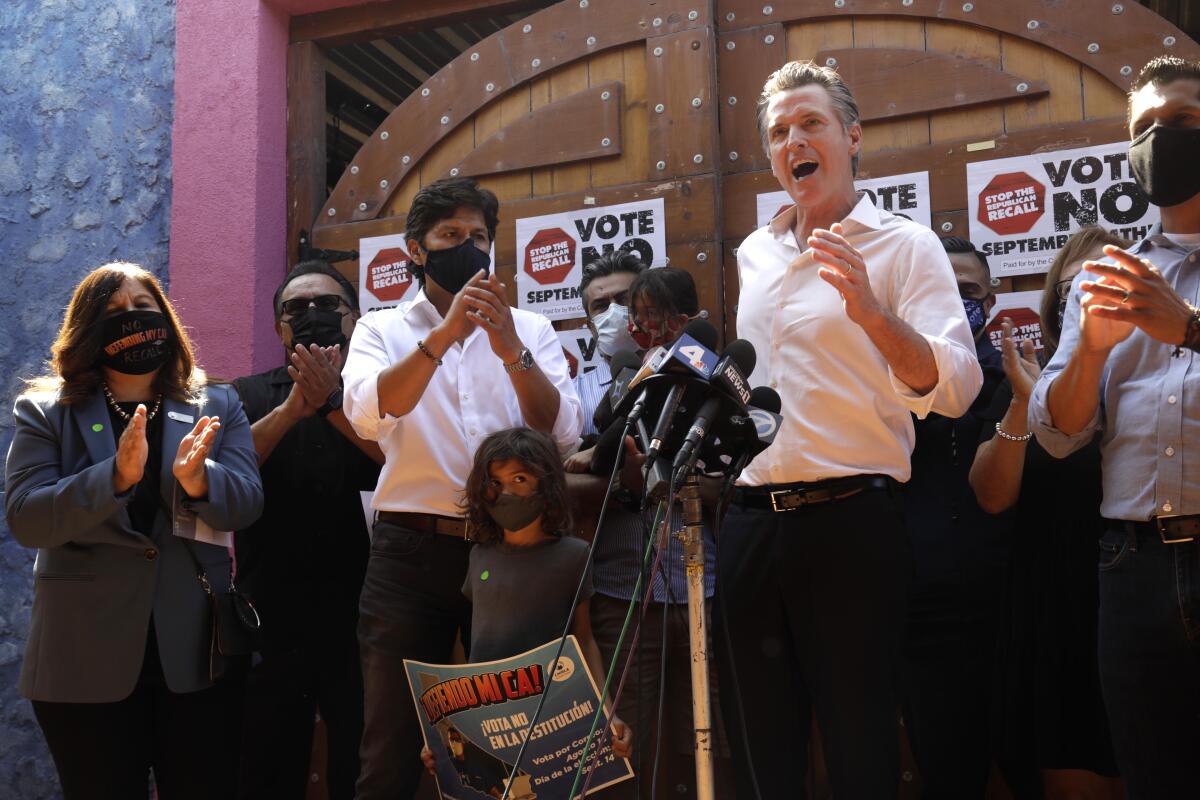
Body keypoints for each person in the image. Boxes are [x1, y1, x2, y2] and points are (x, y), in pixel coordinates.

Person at [718, 61, 982, 796]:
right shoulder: (755, 252)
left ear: (852, 137)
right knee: (760, 750)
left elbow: (958, 385)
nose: (793, 141)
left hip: (850, 525)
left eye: (810, 124)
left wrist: (871, 312)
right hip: (749, 523)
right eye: (778, 132)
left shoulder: (905, 245)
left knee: (859, 744)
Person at [341, 176, 583, 799]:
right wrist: (446, 333)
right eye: (450, 236)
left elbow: (560, 436)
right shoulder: (379, 328)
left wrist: (508, 349)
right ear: (416, 250)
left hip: (510, 553)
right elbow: (369, 413)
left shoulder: (529, 328)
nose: (467, 247)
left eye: (478, 237)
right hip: (409, 555)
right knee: (390, 745)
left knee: (512, 747)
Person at [4, 261, 263, 799]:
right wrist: (114, 478)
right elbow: (27, 516)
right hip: (83, 658)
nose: (132, 319)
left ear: (165, 317)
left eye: (143, 307)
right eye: (114, 311)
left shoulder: (217, 403)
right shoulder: (47, 411)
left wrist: (199, 482)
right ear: (89, 328)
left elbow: (246, 506)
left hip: (195, 654)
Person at [1029, 55, 1200, 798]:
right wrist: (1090, 356)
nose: (1160, 139)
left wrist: (1189, 330)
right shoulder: (1108, 276)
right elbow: (1058, 431)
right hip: (1133, 569)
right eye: (1144, 128)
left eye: (1182, 122)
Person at [972, 227, 1127, 800]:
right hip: (1056, 611)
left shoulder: (1151, 373)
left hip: (1143, 596)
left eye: (1103, 281)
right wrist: (1020, 400)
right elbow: (990, 495)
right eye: (1073, 285)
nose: (1088, 295)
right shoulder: (1025, 380)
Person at [568, 265, 734, 799]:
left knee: (709, 742)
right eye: (605, 305)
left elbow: (737, 479)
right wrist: (614, 473)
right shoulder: (594, 386)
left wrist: (692, 483)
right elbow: (567, 474)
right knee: (622, 745)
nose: (624, 318)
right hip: (620, 587)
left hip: (698, 587)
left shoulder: (713, 377)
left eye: (632, 303)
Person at [232, 260, 383, 799]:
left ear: (355, 318)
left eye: (327, 305)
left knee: (362, 771)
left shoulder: (381, 394)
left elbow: (402, 464)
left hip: (369, 616)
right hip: (270, 618)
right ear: (279, 329)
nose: (313, 314)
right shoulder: (242, 395)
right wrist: (295, 409)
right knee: (267, 770)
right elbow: (222, 473)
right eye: (296, 308)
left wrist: (332, 404)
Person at [420, 428, 632, 782]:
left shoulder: (573, 556)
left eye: (519, 478)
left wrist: (607, 713)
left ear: (546, 484)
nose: (506, 492)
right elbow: (465, 646)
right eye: (495, 481)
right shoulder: (479, 556)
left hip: (550, 716)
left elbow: (584, 640)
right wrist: (447, 729)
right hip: (487, 717)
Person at [900, 237, 1010, 799]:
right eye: (945, 292)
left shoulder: (1018, 381)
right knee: (948, 774)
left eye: (968, 292)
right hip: (923, 610)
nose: (958, 302)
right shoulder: (889, 391)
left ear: (990, 301)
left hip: (1013, 607)